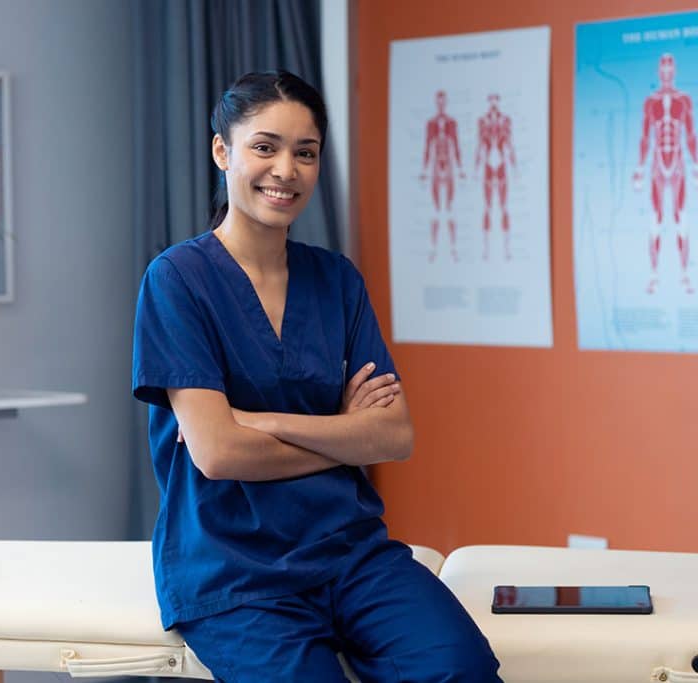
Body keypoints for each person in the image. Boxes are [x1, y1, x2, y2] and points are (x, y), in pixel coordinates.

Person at [132, 71, 501, 682]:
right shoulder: (177, 281)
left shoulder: (337, 280)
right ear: (223, 151)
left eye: (305, 153)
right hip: (235, 571)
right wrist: (340, 432)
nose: (286, 169)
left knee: (459, 669)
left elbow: (393, 437)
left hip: (350, 553)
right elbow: (218, 454)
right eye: (265, 147)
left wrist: (262, 421)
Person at [633, 53, 697, 294]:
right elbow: (644, 137)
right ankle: (654, 275)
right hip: (658, 165)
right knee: (655, 220)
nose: (667, 73)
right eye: (664, 68)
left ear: (675, 71)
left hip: (678, 164)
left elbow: (690, 136)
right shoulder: (650, 102)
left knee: (682, 219)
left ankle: (684, 275)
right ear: (659, 72)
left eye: (671, 68)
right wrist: (639, 168)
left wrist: (696, 166)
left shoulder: (684, 100)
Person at [420, 90, 464, 262]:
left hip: (449, 168)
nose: (441, 104)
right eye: (439, 101)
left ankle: (453, 249)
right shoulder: (431, 124)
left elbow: (456, 145)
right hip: (436, 170)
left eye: (443, 101)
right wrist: (424, 170)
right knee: (437, 211)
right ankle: (433, 249)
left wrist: (460, 169)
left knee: (450, 210)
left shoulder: (452, 123)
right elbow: (428, 147)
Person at [475, 93, 516, 261]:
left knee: (504, 207)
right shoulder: (482, 121)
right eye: (490, 100)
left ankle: (507, 250)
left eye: (496, 100)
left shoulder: (505, 120)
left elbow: (509, 144)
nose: (493, 103)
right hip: (487, 166)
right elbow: (480, 145)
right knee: (487, 207)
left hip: (501, 165)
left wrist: (515, 166)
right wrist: (476, 167)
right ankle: (485, 250)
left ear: (499, 102)